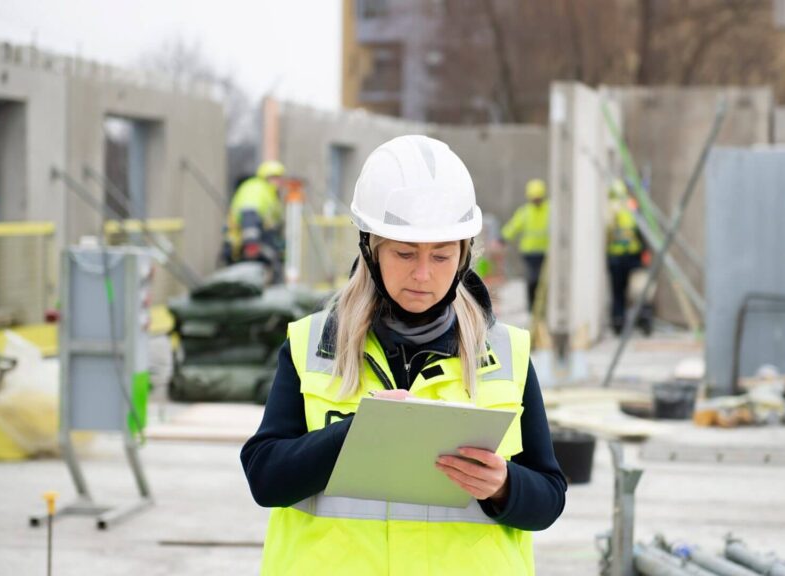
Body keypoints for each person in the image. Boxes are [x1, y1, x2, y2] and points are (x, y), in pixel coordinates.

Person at [241, 135, 566, 575]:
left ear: (464, 255)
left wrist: (505, 486)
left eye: (442, 255)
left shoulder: (505, 354)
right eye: (405, 253)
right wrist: (357, 435)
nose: (423, 274)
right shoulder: (312, 347)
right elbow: (265, 479)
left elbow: (548, 498)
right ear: (370, 249)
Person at [222, 160, 286, 265]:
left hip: (254, 243)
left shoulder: (271, 195)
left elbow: (275, 223)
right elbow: (249, 216)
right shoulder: (256, 188)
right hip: (240, 245)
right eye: (275, 178)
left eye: (280, 178)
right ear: (266, 177)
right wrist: (251, 244)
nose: (279, 182)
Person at [501, 178, 549, 311]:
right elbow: (514, 226)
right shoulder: (526, 212)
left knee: (543, 282)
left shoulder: (550, 210)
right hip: (529, 253)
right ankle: (532, 306)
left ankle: (541, 307)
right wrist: (503, 237)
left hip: (546, 252)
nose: (536, 200)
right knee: (533, 279)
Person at [605, 179, 645, 335]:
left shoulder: (609, 209)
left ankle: (618, 321)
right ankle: (636, 319)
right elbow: (640, 230)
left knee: (617, 291)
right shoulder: (631, 205)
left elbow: (606, 233)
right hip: (632, 255)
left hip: (615, 257)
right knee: (634, 290)